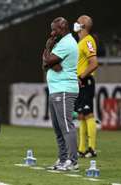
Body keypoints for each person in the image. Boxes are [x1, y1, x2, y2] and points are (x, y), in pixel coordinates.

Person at [42, 17, 79, 171]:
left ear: (63, 28)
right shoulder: (60, 43)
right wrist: (49, 57)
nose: (52, 33)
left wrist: (48, 51)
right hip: (56, 89)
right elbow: (46, 65)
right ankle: (63, 159)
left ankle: (72, 161)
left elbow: (49, 61)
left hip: (64, 89)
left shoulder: (67, 43)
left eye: (55, 29)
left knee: (66, 126)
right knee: (58, 128)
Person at [73, 15, 99, 158]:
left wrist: (81, 76)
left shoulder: (88, 41)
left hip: (86, 81)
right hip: (81, 82)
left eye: (77, 22)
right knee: (82, 115)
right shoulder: (80, 42)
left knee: (88, 114)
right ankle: (82, 149)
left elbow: (94, 63)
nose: (75, 24)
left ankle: (92, 148)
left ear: (83, 25)